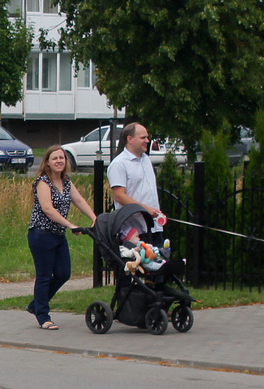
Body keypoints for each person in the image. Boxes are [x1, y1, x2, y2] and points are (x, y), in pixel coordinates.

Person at [27, 144, 97, 330]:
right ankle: (43, 316)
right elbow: (48, 209)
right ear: (47, 163)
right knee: (44, 276)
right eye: (55, 158)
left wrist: (94, 218)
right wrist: (70, 225)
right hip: (41, 234)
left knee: (63, 273)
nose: (59, 161)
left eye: (62, 158)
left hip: (58, 235)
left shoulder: (66, 181)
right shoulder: (43, 181)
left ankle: (36, 304)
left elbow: (79, 200)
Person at [108, 123, 163, 241]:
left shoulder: (146, 160)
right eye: (143, 138)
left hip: (154, 227)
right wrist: (146, 209)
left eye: (147, 137)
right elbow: (119, 196)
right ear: (130, 139)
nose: (147, 141)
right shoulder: (119, 164)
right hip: (134, 231)